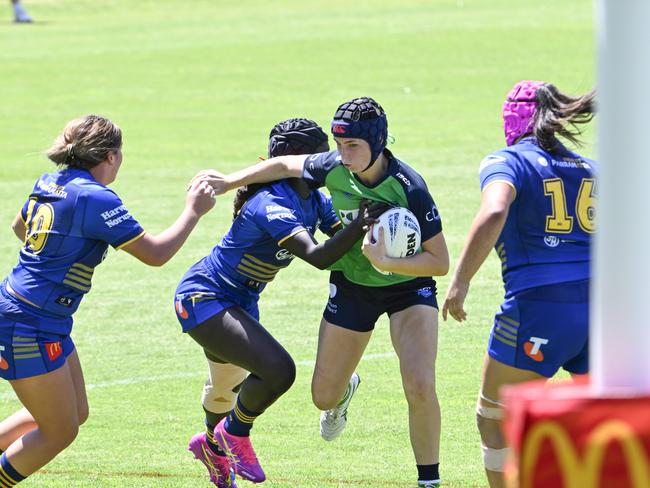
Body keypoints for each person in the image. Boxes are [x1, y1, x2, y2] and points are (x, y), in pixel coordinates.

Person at [194, 98, 449, 488]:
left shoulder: (409, 186)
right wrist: (228, 182)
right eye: (338, 145)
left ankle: (429, 481)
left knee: (419, 382)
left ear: (377, 143)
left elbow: (439, 261)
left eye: (353, 148)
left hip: (408, 289)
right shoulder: (330, 166)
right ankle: (345, 388)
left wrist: (387, 262)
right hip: (352, 289)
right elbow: (281, 165)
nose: (342, 156)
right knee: (323, 397)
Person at [0, 115, 216, 486]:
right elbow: (155, 254)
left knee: (75, 413)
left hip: (34, 313)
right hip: (29, 323)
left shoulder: (52, 179)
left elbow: (22, 228)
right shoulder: (96, 198)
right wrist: (193, 209)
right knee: (59, 432)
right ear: (112, 156)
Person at [177, 117, 389, 488]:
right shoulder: (270, 204)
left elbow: (341, 243)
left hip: (239, 302)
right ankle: (233, 435)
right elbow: (320, 256)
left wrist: (381, 239)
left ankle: (210, 445)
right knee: (278, 371)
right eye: (326, 152)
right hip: (203, 298)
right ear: (300, 161)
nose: (333, 160)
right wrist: (359, 227)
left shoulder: (313, 199)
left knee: (226, 390)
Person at [442, 81, 596, 488]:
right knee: (608, 421)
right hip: (603, 306)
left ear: (512, 118)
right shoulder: (589, 167)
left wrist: (460, 281)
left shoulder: (506, 160)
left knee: (494, 418)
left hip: (540, 307)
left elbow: (494, 209)